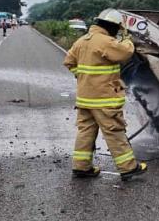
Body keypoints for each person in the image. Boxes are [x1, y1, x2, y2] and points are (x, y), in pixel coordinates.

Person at [63, 9, 147, 181]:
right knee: (114, 131)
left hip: (85, 99)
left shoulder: (82, 41)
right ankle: (128, 168)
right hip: (104, 99)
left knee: (85, 132)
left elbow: (69, 62)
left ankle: (81, 167)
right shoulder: (106, 41)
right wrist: (128, 39)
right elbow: (125, 53)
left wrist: (84, 76)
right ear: (112, 26)